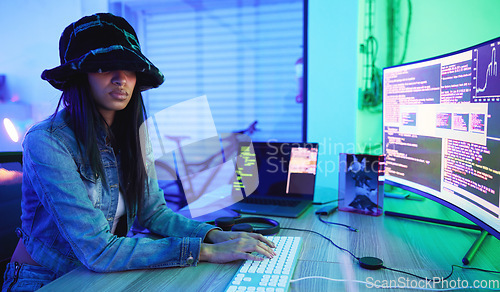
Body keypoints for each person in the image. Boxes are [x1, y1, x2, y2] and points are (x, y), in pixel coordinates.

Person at [2, 13, 275, 291]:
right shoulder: (47, 141)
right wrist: (204, 252)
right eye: (105, 67)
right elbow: (97, 250)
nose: (121, 79)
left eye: (129, 68)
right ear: (80, 75)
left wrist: (214, 236)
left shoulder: (134, 136)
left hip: (101, 274)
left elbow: (154, 214)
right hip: (46, 279)